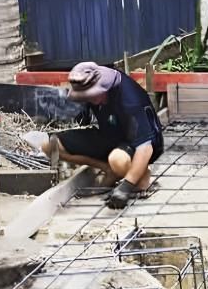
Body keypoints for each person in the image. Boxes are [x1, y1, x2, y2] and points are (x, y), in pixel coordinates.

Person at [43, 62, 163, 209]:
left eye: (93, 95)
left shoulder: (130, 99)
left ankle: (141, 178)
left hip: (135, 142)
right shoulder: (93, 96)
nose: (91, 99)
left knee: (117, 159)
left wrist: (126, 186)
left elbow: (145, 147)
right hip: (109, 134)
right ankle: (108, 170)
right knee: (51, 145)